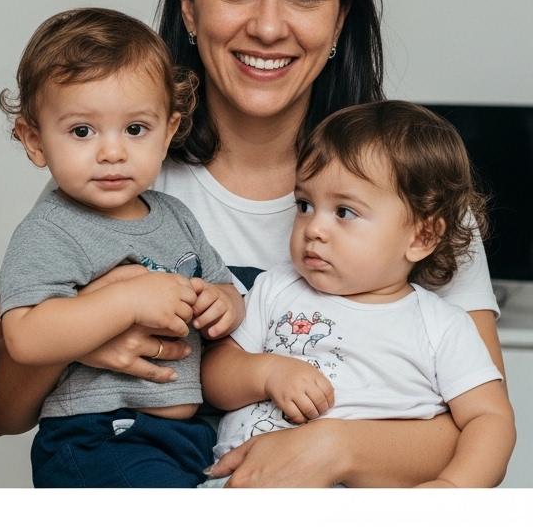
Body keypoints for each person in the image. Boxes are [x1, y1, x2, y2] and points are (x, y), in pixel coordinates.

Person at [0, 0, 504, 487]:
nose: (269, 26)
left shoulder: (409, 188)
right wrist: (88, 331)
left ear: (339, 19)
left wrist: (334, 449)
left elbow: (477, 425)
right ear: (189, 6)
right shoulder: (121, 179)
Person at [201, 101, 512, 487]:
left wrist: (452, 489)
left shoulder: (442, 327)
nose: (314, 228)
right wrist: (266, 372)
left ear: (422, 236)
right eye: (305, 205)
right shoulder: (276, 289)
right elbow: (213, 378)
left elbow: (490, 419)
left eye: (344, 212)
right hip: (242, 484)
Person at [0, 8, 242, 487]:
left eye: (135, 129)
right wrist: (124, 301)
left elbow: (222, 288)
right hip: (97, 438)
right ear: (34, 140)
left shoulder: (174, 216)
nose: (112, 152)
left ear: (168, 131)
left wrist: (223, 303)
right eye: (82, 131)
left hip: (184, 438)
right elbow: (24, 337)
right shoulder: (51, 229)